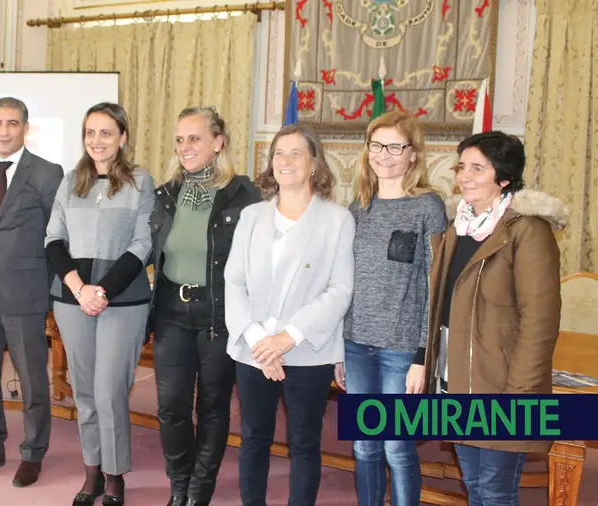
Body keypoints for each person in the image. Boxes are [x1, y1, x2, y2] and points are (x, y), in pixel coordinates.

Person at [424, 131, 566, 506]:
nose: (464, 177)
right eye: (461, 167)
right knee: (474, 484)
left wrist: (518, 395)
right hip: (458, 380)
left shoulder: (528, 230)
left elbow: (540, 321)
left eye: (477, 168)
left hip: (504, 385)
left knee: (496, 489)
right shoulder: (459, 228)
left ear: (503, 178)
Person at [225, 123, 354, 506]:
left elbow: (340, 289)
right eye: (279, 153)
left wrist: (288, 337)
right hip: (254, 350)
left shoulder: (337, 220)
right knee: (254, 439)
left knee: (303, 443)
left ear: (314, 163)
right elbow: (233, 283)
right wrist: (258, 341)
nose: (285, 161)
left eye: (295, 153)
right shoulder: (251, 217)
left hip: (307, 350)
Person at [148, 106, 260, 506]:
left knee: (212, 407)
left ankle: (199, 492)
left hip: (219, 316)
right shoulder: (165, 194)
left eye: (194, 138)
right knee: (171, 407)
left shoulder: (244, 194)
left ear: (218, 143)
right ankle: (179, 485)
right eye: (179, 139)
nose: (185, 147)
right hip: (171, 313)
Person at [45, 102, 155, 506]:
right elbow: (52, 240)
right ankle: (91, 470)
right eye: (90, 132)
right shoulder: (70, 180)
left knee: (110, 392)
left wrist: (102, 290)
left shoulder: (141, 181)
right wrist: (79, 289)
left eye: (106, 132)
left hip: (122, 302)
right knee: (85, 391)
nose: (97, 141)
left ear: (123, 137)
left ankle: (115, 475)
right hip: (73, 300)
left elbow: (143, 244)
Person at [343, 110, 447, 506]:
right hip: (355, 346)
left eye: (395, 147)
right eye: (376, 145)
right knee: (363, 447)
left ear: (413, 155)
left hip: (401, 352)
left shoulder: (427, 207)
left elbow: (433, 287)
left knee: (397, 448)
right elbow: (346, 283)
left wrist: (423, 355)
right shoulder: (357, 207)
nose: (383, 155)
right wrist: (339, 346)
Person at [0, 97, 63, 486]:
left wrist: (52, 291)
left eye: (13, 123)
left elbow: (57, 236)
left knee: (33, 380)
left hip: (26, 292)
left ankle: (33, 453)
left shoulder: (47, 172)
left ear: (26, 127)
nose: (4, 131)